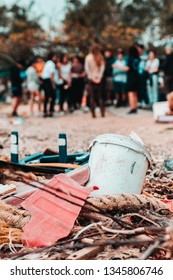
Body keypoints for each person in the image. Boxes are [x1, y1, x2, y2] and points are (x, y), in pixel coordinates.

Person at [84, 45, 105, 118]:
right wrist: (99, 77)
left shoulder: (88, 57)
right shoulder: (100, 57)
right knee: (100, 96)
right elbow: (102, 69)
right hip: (99, 78)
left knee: (92, 96)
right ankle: (102, 112)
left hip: (92, 79)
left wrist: (91, 77)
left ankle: (93, 114)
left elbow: (87, 69)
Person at [42, 52, 57, 117]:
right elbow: (51, 75)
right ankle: (51, 111)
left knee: (47, 97)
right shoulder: (51, 64)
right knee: (53, 96)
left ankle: (45, 111)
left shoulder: (47, 63)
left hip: (45, 80)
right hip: (48, 81)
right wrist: (53, 84)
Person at [126, 45, 140, 114]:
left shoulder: (130, 58)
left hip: (131, 77)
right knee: (135, 93)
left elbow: (127, 68)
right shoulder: (137, 58)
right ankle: (135, 107)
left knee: (131, 93)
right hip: (137, 77)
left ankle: (132, 107)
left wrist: (117, 66)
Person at [136, 44, 149, 108]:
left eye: (139, 49)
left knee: (143, 88)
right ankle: (140, 101)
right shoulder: (137, 56)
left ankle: (145, 102)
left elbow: (147, 58)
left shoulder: (145, 55)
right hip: (138, 74)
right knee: (139, 88)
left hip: (143, 74)